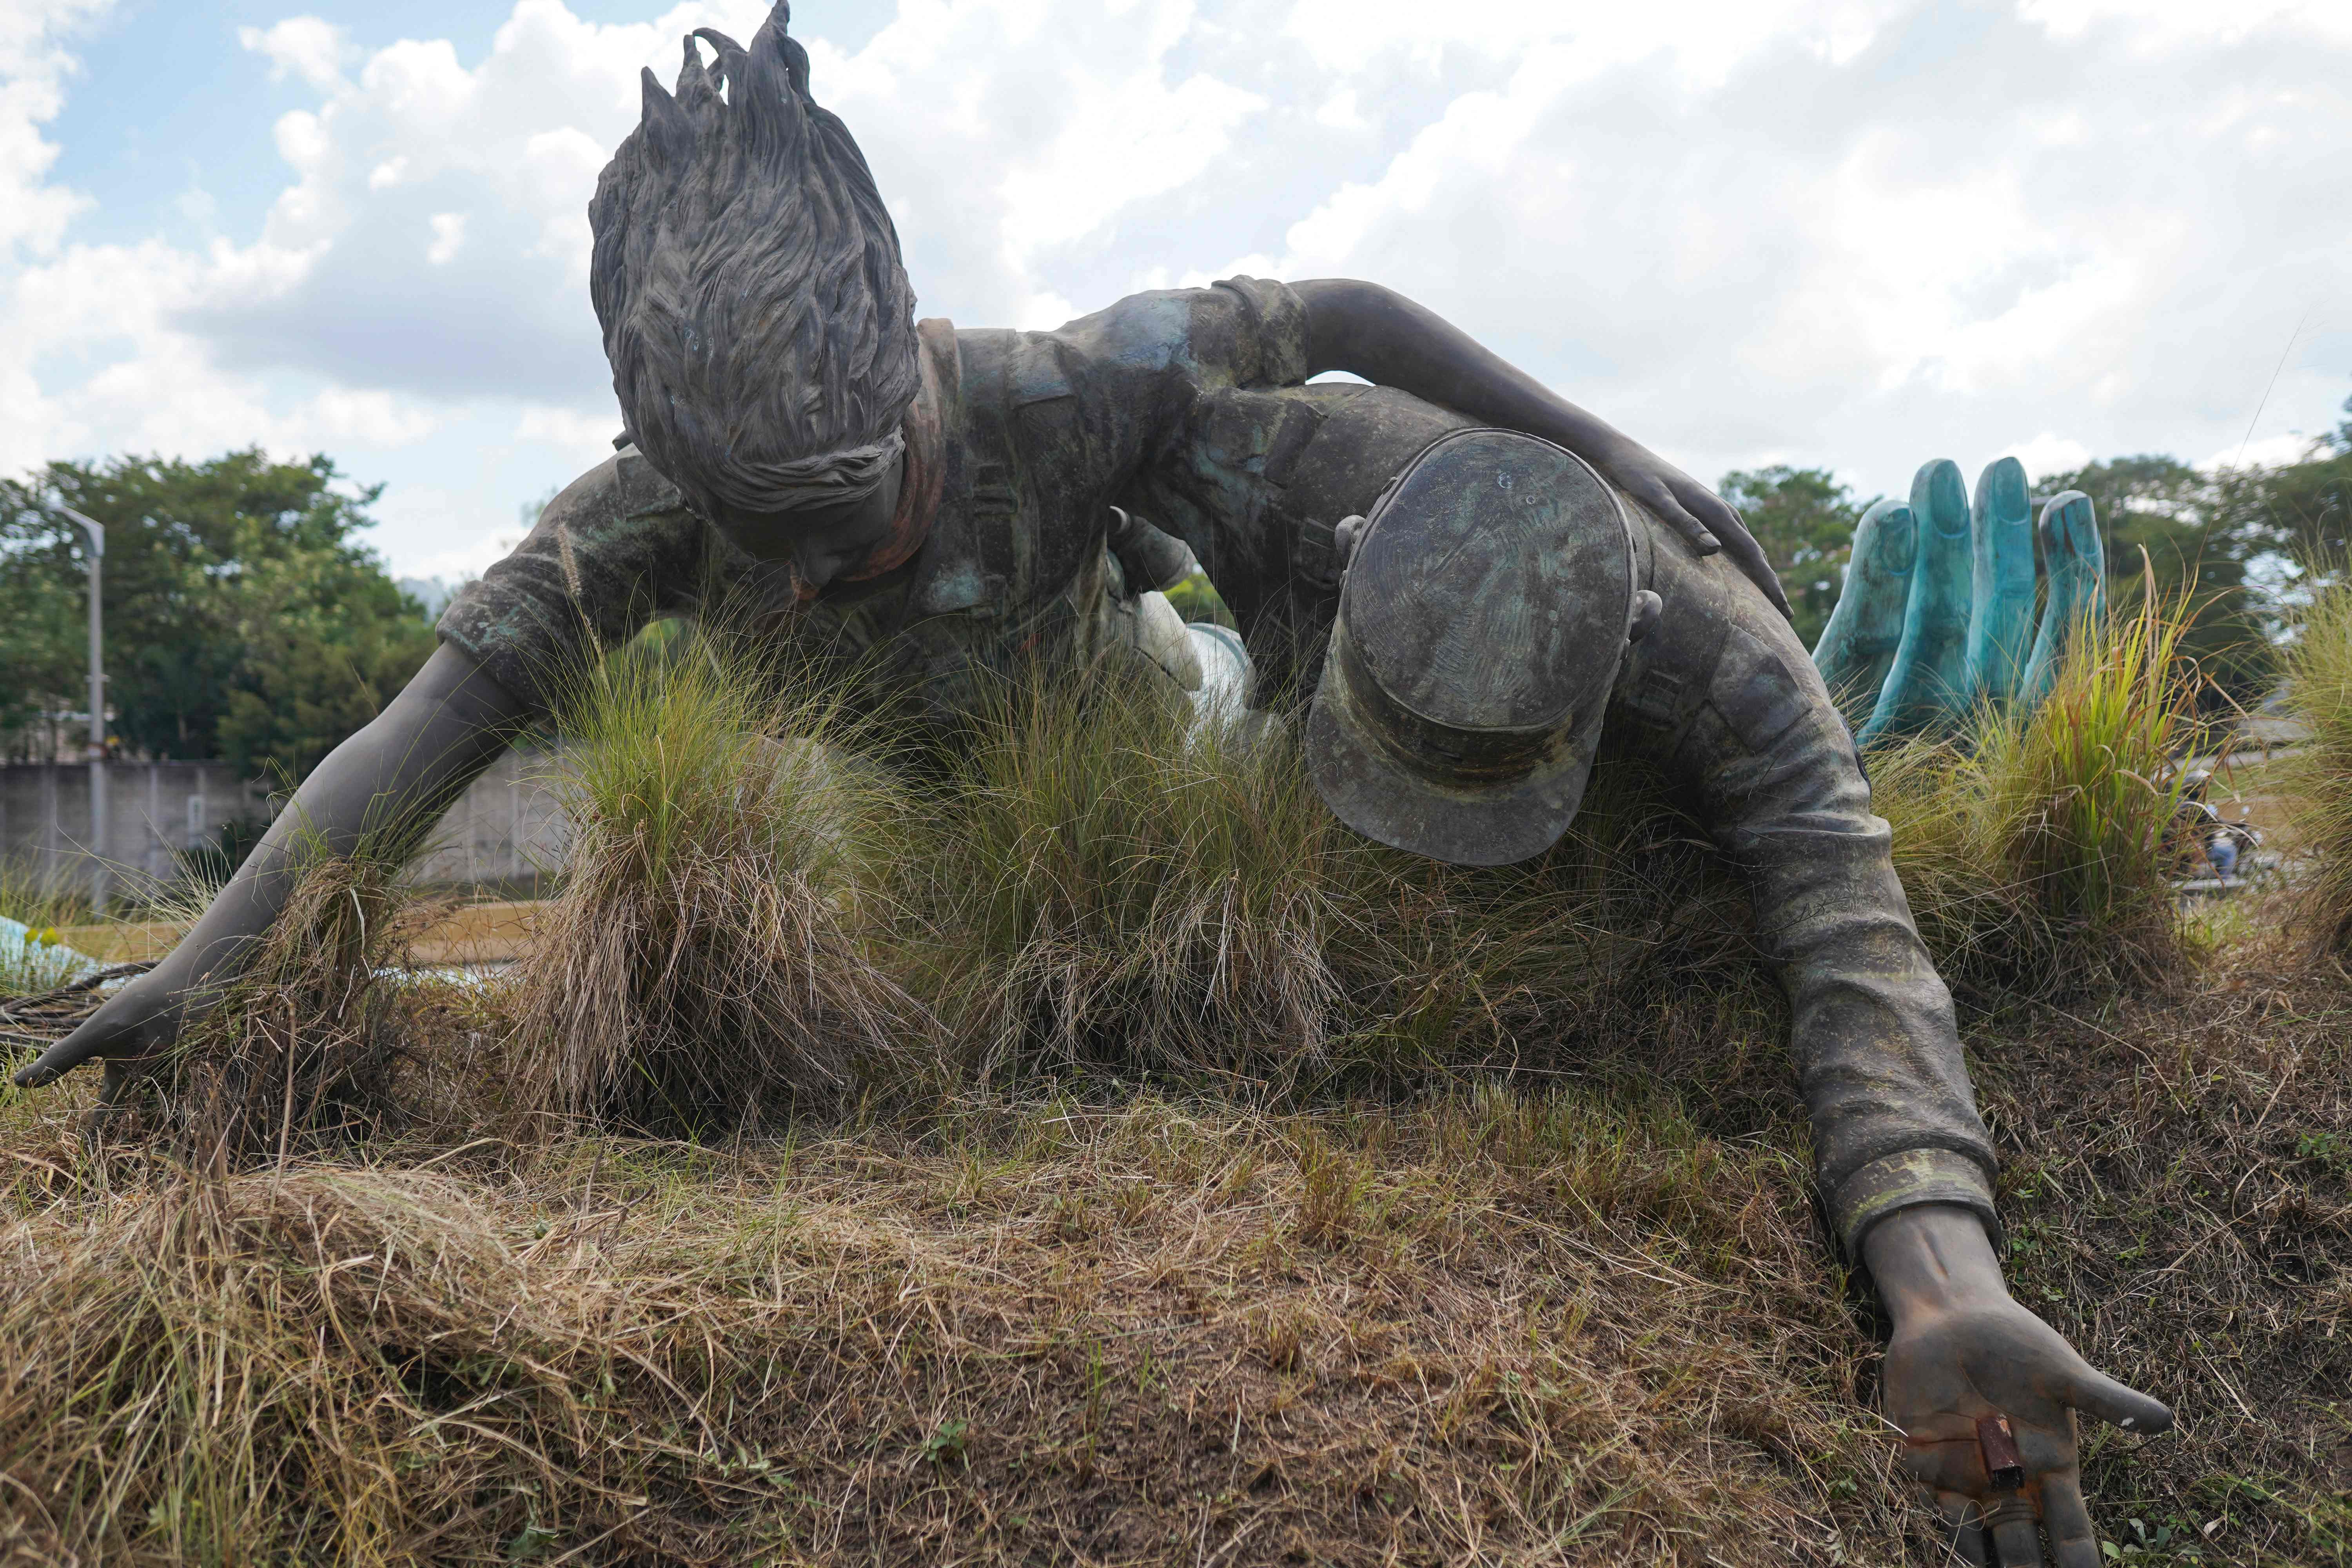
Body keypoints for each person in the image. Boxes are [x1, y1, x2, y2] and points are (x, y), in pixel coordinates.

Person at [11, 5, 2167, 1560]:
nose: (810, 569)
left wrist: (1603, 449)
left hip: (1168, 759)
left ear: (912, 365)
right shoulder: (656, 512)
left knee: (1265, 750)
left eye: (848, 512)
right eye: (756, 534)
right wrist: (208, 964)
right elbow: (423, 729)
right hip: (924, 880)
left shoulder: (1087, 394)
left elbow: (1337, 302)